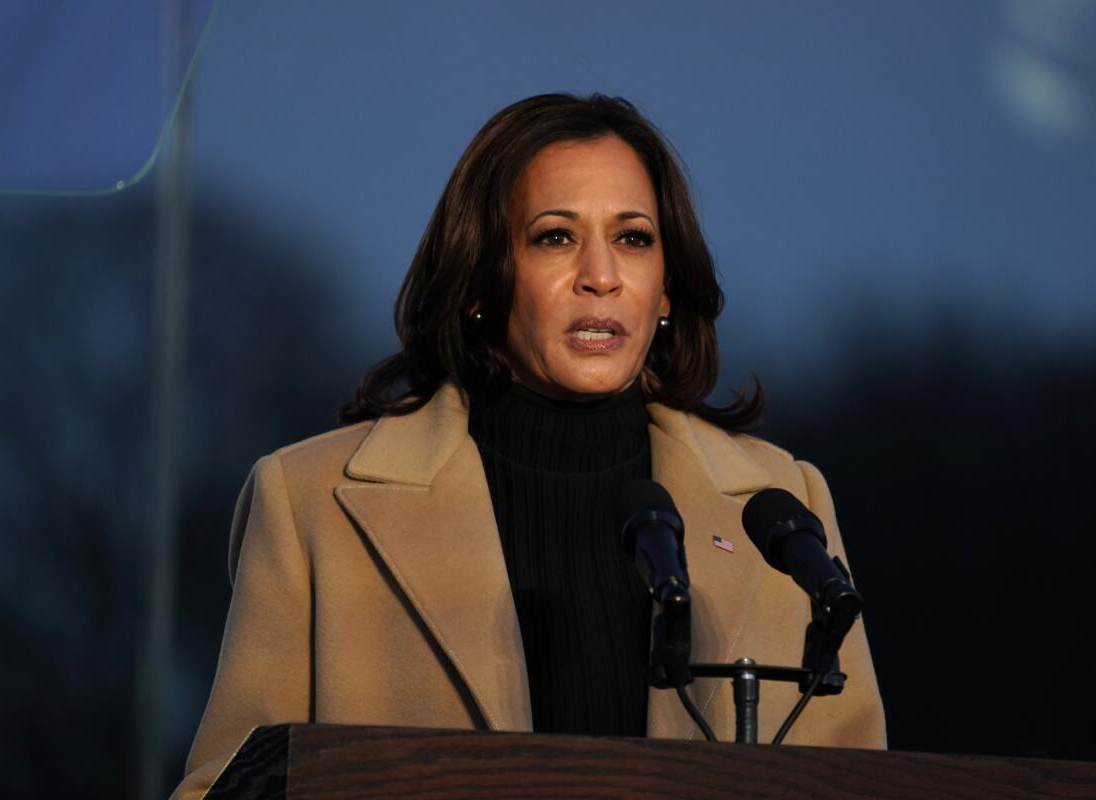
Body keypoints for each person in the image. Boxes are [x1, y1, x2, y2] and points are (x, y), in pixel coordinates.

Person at [172, 93, 885, 799]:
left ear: (666, 289)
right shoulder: (309, 505)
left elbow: (857, 778)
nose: (601, 276)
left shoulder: (783, 512)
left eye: (633, 238)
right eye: (556, 237)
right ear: (482, 280)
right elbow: (227, 787)